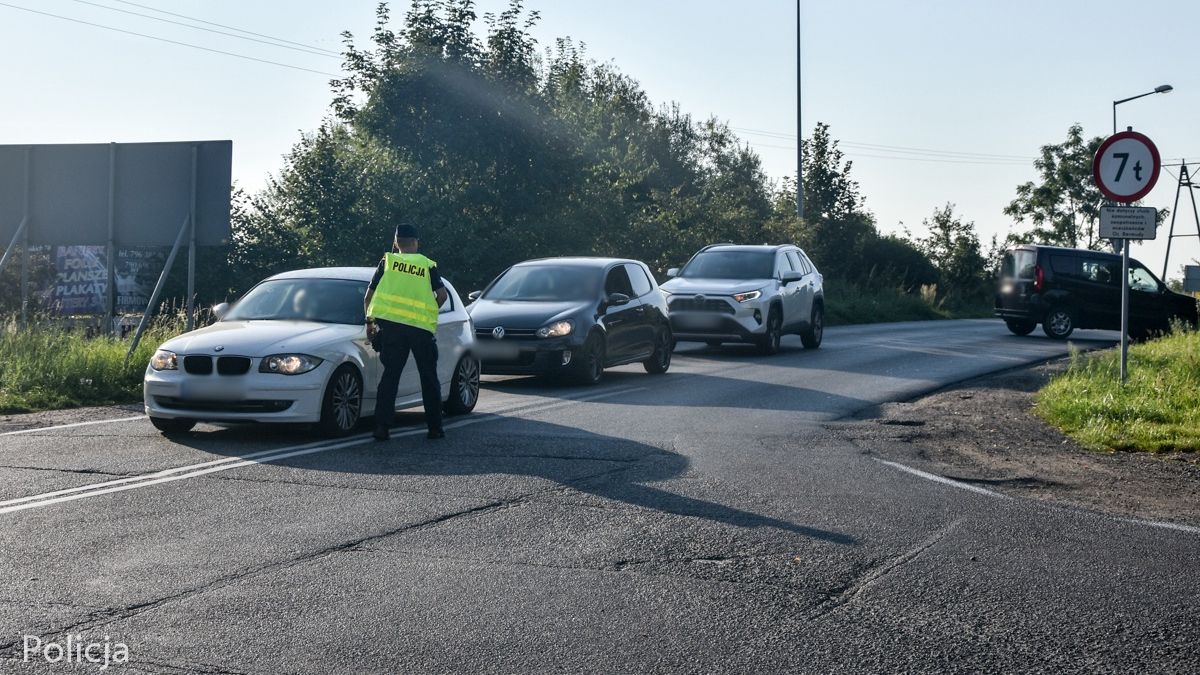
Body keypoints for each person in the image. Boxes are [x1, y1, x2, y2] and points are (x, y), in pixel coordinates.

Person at [363, 223, 448, 441]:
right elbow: (442, 295)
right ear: (415, 242)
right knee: (428, 377)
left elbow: (368, 297)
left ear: (396, 243)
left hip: (393, 328)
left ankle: (382, 428)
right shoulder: (426, 265)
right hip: (420, 329)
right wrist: (427, 312)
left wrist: (371, 324)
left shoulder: (388, 262)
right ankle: (435, 428)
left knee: (390, 377)